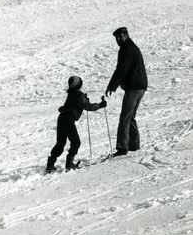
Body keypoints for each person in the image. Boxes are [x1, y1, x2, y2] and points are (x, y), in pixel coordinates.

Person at [46, 76, 107, 173]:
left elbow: (76, 103)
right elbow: (88, 106)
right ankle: (69, 164)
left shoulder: (71, 93)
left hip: (61, 118)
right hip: (68, 119)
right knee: (76, 142)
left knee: (60, 143)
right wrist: (100, 105)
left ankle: (50, 164)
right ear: (79, 85)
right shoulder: (79, 94)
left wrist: (84, 99)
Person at [105, 27, 148, 157]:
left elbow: (121, 69)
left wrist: (112, 86)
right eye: (117, 38)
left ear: (126, 35)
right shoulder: (131, 47)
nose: (118, 40)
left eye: (120, 37)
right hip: (140, 86)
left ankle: (122, 147)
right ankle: (134, 145)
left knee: (125, 117)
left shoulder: (127, 48)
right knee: (130, 116)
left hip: (134, 87)